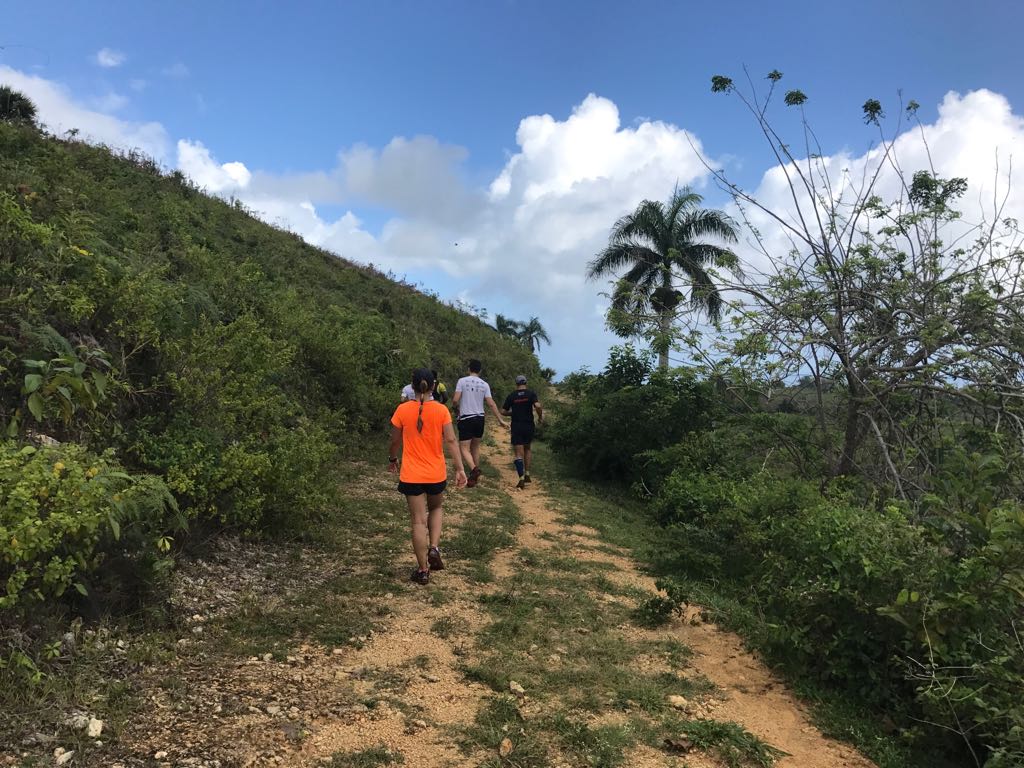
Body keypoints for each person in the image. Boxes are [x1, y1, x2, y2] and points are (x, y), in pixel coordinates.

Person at [388, 369, 467, 584]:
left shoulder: (402, 410)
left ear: (412, 386)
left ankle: (423, 570)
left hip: (411, 474)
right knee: (436, 508)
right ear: (433, 386)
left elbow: (395, 440)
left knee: (417, 521)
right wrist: (460, 469)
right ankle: (434, 547)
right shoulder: (441, 410)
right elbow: (451, 440)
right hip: (435, 473)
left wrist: (392, 459)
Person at [452, 359, 508, 487]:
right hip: (480, 418)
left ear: (469, 369)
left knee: (464, 448)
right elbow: (491, 403)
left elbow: (455, 400)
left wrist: (456, 408)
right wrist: (500, 420)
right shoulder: (484, 384)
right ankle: (474, 476)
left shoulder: (462, 381)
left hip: (467, 418)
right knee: (475, 447)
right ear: (480, 370)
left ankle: (474, 470)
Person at [502, 374, 544, 489]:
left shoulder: (512, 395)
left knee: (518, 453)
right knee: (527, 448)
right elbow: (537, 406)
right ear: (526, 383)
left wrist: (513, 413)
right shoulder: (531, 394)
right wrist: (540, 417)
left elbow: (503, 411)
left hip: (517, 426)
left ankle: (521, 478)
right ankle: (527, 474)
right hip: (529, 425)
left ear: (516, 384)